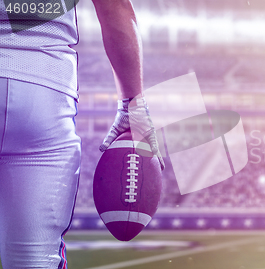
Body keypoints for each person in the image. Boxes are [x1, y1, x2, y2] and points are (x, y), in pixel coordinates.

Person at [0, 0, 163, 267]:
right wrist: (132, 104)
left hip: (44, 86)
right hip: (42, 88)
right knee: (36, 260)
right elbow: (114, 6)